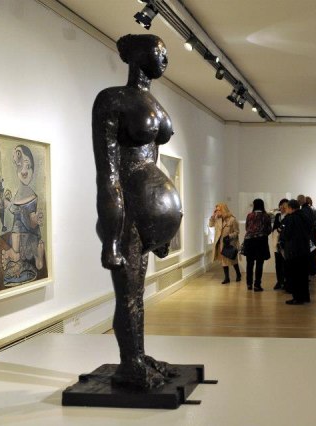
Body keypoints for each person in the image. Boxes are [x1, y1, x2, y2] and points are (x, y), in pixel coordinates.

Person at [93, 34, 183, 388]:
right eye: (159, 51)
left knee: (137, 294)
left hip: (146, 217)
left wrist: (163, 228)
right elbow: (108, 175)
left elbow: (152, 161)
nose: (165, 59)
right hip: (127, 211)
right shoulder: (112, 99)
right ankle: (130, 364)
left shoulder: (153, 102)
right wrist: (111, 239)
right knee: (128, 294)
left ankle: (137, 356)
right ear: (138, 54)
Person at [0, 145, 47, 287]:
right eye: (20, 167)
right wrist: (6, 204)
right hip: (19, 234)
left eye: (28, 166)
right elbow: (16, 209)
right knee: (16, 227)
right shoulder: (19, 192)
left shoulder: (30, 193)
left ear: (33, 169)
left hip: (30, 234)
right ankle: (15, 253)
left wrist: (35, 218)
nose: (24, 171)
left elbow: (29, 217)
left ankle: (36, 255)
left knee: (18, 226)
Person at [280, 199, 312, 305]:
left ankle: (297, 298)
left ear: (290, 208)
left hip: (294, 250)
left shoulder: (291, 218)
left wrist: (282, 235)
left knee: (295, 275)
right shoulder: (305, 216)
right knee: (303, 275)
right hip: (305, 249)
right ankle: (305, 296)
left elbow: (287, 234)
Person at [243, 198, 272, 292]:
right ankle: (257, 285)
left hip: (249, 241)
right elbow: (269, 229)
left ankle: (249, 284)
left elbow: (247, 228)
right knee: (259, 264)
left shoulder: (249, 215)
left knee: (249, 263)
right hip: (261, 241)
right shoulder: (266, 216)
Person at [209, 203, 241, 284]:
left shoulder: (232, 219)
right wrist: (213, 216)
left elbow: (237, 232)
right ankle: (227, 278)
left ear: (223, 210)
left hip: (230, 243)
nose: (217, 211)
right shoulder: (217, 219)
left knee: (233, 260)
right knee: (223, 261)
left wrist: (229, 236)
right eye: (216, 210)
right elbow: (210, 225)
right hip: (220, 243)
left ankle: (238, 274)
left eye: (218, 210)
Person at [298, 194, 316, 276]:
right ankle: (312, 270)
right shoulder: (309, 210)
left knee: (311, 251)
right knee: (311, 252)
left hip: (311, 234)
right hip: (311, 234)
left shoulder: (313, 210)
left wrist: (311, 224)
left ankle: (313, 270)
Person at [272, 198, 288, 290]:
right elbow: (274, 227)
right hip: (277, 242)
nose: (283, 207)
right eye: (281, 205)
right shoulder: (278, 215)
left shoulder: (289, 216)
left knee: (285, 263)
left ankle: (286, 282)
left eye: (285, 206)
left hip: (285, 243)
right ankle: (279, 281)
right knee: (278, 263)